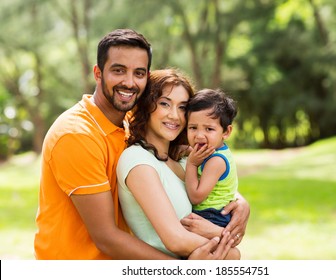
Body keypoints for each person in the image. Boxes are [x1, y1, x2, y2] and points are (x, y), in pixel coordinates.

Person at [34, 29, 233, 260]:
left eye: (139, 73)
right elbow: (106, 237)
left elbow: (202, 176)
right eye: (118, 70)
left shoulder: (132, 125)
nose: (129, 82)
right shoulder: (76, 135)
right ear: (98, 73)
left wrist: (239, 204)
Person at [117, 69, 242, 259]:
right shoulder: (137, 160)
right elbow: (176, 240)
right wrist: (228, 246)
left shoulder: (183, 158)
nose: (175, 116)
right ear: (147, 106)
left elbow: (218, 190)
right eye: (165, 104)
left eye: (183, 107)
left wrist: (241, 203)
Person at [184, 89, 238, 228]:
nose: (199, 135)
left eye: (209, 129)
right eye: (193, 127)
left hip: (213, 217)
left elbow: (196, 197)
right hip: (212, 215)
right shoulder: (213, 151)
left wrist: (191, 164)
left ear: (226, 132)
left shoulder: (216, 161)